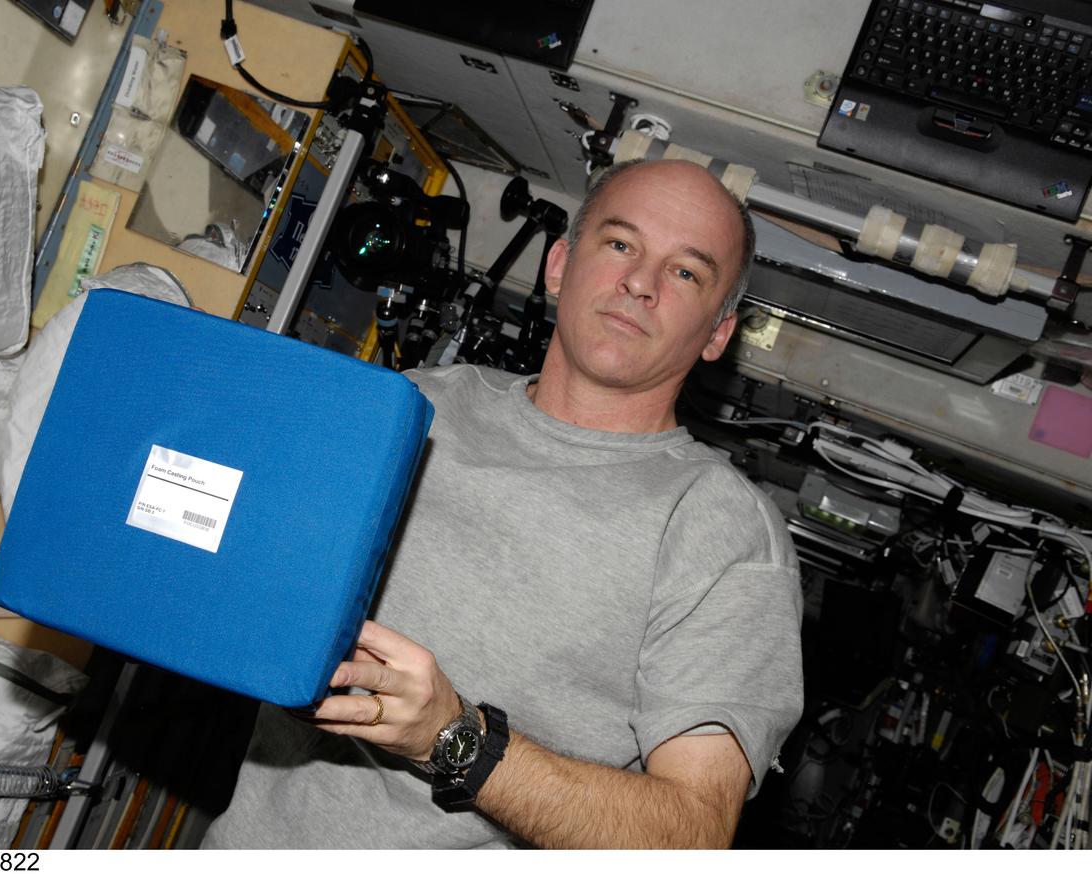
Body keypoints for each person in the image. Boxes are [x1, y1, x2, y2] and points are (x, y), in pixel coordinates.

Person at [202, 158, 803, 849]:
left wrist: (451, 738)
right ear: (558, 266)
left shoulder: (720, 529)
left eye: (686, 272)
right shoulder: (418, 403)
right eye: (619, 244)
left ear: (719, 334)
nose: (640, 283)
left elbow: (690, 836)